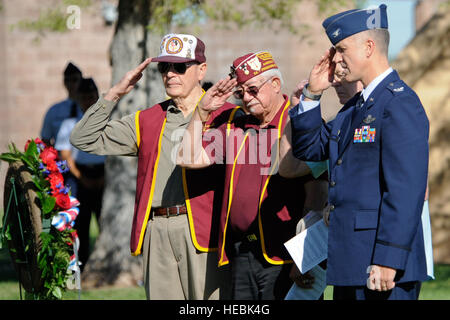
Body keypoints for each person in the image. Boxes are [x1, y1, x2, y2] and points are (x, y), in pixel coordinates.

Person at [70, 33, 234, 300]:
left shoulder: (226, 116)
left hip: (206, 232)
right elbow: (82, 138)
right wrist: (115, 93)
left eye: (179, 67)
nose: (170, 74)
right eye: (164, 67)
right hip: (156, 232)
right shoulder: (146, 119)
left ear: (201, 70)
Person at [288, 4, 429, 300]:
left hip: (382, 265)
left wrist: (389, 258)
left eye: (341, 49)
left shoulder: (398, 103)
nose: (335, 59)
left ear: (368, 47)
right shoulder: (353, 109)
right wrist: (312, 95)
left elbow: (405, 190)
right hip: (351, 261)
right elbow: (310, 149)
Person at [177, 51, 328, 299]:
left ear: (276, 84)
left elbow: (316, 193)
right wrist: (202, 112)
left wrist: (304, 256)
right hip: (241, 251)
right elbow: (187, 158)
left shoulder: (300, 124)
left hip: (284, 254)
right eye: (240, 93)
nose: (246, 98)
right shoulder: (235, 127)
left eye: (253, 90)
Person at [55, 78, 106, 271]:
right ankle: (82, 265)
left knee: (105, 221)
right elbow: (66, 155)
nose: (88, 101)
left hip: (104, 174)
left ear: (97, 97)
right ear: (78, 99)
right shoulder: (70, 123)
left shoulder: (106, 121)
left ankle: (104, 265)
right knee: (81, 225)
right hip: (80, 175)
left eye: (91, 96)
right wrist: (82, 178)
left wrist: (104, 177)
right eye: (84, 97)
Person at [41, 62, 83, 146]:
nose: (71, 84)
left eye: (75, 80)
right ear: (64, 82)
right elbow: (45, 140)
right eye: (68, 80)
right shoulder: (54, 110)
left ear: (81, 80)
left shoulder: (88, 108)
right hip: (61, 157)